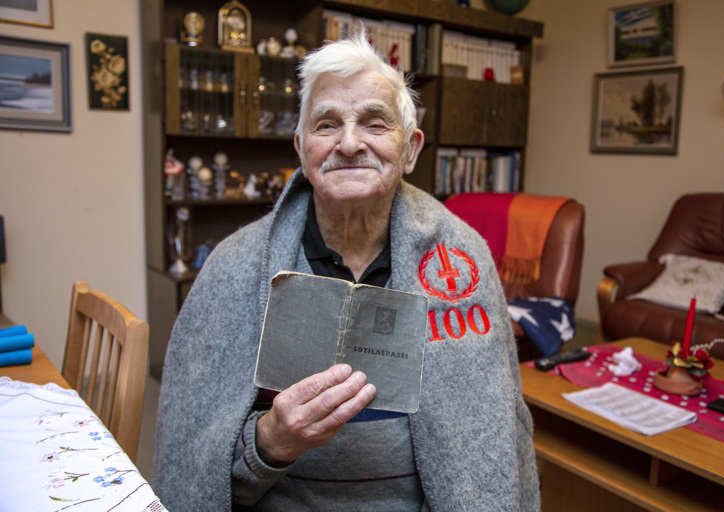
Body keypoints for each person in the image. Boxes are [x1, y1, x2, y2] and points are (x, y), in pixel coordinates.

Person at [152, 30, 540, 511]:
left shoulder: (463, 259)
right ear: (301, 148)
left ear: (410, 149)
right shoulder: (232, 267)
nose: (350, 143)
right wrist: (271, 441)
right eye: (327, 124)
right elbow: (194, 471)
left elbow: (493, 443)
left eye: (375, 124)